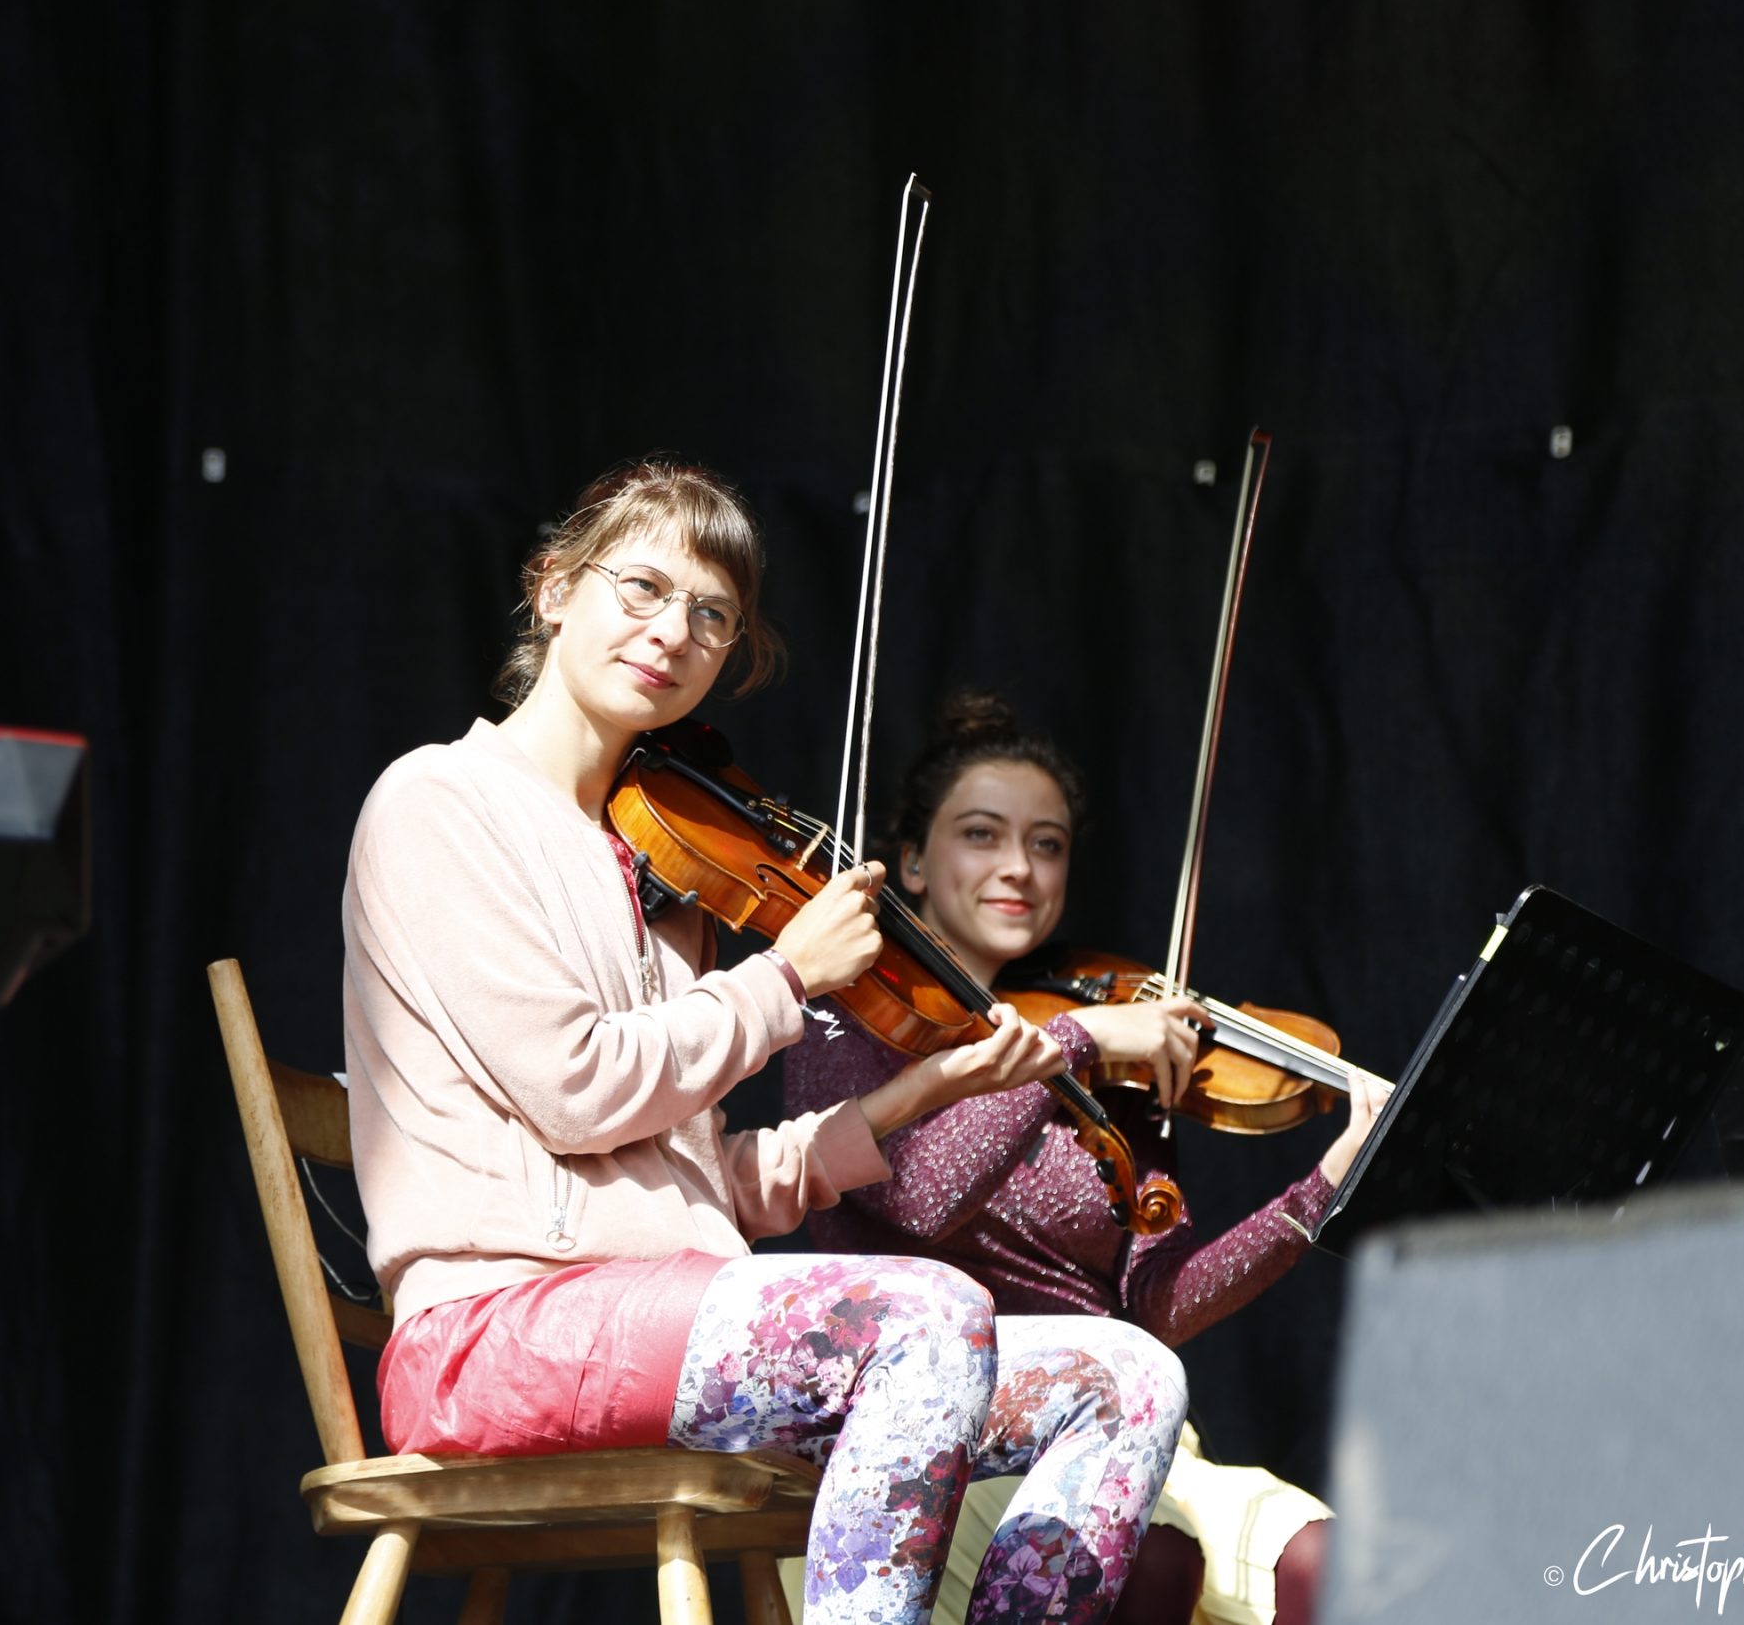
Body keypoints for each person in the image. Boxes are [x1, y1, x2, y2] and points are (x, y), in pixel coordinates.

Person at [344, 457, 1199, 1622]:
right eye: (642, 589)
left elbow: (696, 1184)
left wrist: (919, 1093)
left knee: (1129, 1375)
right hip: (498, 1332)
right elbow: (576, 1091)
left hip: (669, 1310)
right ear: (553, 589)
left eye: (712, 616)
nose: (673, 632)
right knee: (924, 1314)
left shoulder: (657, 867)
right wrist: (787, 975)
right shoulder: (440, 802)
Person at [783, 693, 1388, 1625]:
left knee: (1330, 1564)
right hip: (932, 1442)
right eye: (981, 834)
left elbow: (1157, 1306)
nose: (1019, 867)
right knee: (1149, 1563)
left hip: (1123, 1421)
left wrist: (1321, 1188)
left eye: (1048, 844)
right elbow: (917, 1197)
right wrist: (1078, 1042)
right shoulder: (851, 1014)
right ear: (912, 862)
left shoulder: (1119, 1055)